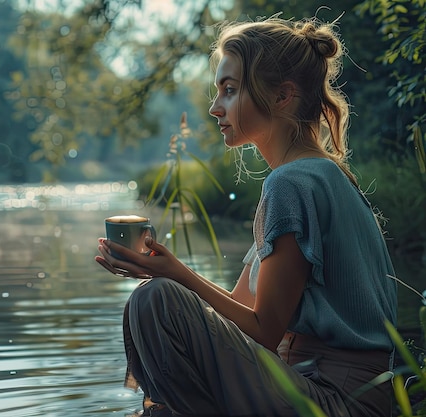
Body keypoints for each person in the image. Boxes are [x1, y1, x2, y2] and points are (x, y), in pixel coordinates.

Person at [95, 15, 398, 417]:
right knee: (159, 297)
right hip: (325, 388)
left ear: (282, 96)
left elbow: (264, 334)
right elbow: (242, 312)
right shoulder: (318, 175)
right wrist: (168, 268)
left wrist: (173, 277)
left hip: (335, 400)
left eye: (230, 90)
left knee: (156, 301)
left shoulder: (292, 183)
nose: (214, 106)